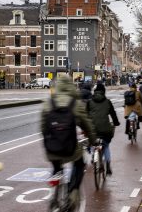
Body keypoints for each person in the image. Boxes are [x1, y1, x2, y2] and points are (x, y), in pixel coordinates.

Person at [41, 75, 96, 209]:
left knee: (57, 167)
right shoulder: (75, 104)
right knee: (79, 164)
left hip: (52, 149)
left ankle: (55, 199)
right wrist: (92, 140)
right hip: (70, 148)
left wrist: (48, 142)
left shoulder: (48, 103)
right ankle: (73, 192)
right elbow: (87, 125)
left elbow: (43, 128)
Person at [86, 81, 120, 175]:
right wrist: (116, 123)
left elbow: (85, 116)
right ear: (104, 92)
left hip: (92, 130)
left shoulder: (89, 102)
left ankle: (94, 156)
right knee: (106, 146)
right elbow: (113, 114)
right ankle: (108, 165)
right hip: (105, 130)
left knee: (93, 143)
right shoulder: (107, 102)